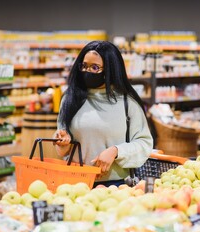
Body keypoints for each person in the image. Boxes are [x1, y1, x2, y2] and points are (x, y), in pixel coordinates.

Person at [53, 40, 153, 187]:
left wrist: (116, 151)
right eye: (84, 66)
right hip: (76, 183)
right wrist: (62, 142)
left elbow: (144, 143)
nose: (87, 71)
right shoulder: (70, 99)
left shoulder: (127, 102)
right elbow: (62, 151)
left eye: (95, 67)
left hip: (117, 186)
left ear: (110, 70)